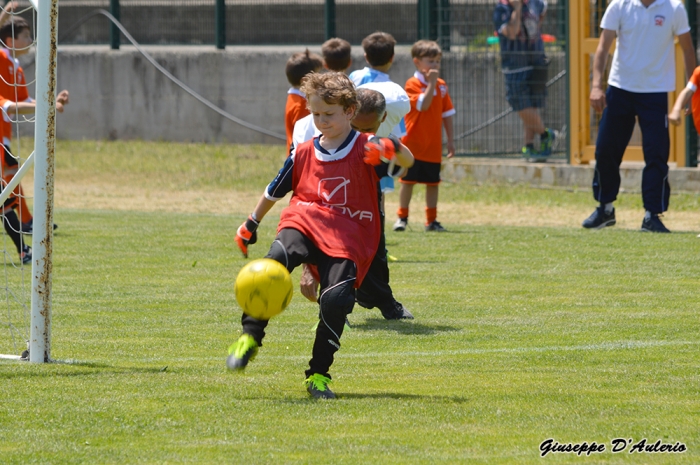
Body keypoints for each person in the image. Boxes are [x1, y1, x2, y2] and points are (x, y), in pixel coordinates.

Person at [228, 72, 414, 399]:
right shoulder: (302, 153)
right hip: (303, 220)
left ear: (350, 111)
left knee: (336, 300)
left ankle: (318, 375)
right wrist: (250, 224)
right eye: (315, 114)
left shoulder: (367, 147)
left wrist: (391, 146)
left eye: (329, 114)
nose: (321, 121)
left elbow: (408, 163)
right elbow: (274, 192)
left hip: (348, 234)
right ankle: (250, 337)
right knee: (270, 268)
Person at [294, 85, 414, 320]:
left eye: (368, 129)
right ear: (348, 113)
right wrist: (308, 267)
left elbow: (406, 161)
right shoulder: (316, 131)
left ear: (383, 120)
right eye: (356, 127)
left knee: (374, 257)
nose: (359, 135)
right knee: (334, 255)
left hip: (365, 203)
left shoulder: (384, 126)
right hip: (329, 201)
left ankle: (381, 300)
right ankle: (336, 309)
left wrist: (393, 147)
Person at [583, 0, 696, 233]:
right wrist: (596, 86)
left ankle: (651, 215)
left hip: (655, 92)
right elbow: (603, 47)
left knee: (657, 153)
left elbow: (687, 48)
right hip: (620, 88)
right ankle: (605, 208)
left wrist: (693, 94)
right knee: (605, 149)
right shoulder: (619, 6)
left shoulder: (674, 8)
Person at [0, 16, 68, 234]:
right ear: (10, 41)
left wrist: (52, 102)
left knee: (10, 174)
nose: (31, 40)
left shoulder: (16, 68)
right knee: (10, 174)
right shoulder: (2, 56)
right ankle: (25, 224)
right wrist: (3, 16)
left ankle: (25, 223)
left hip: (5, 132)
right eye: (26, 36)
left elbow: (26, 102)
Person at [393, 40, 455, 233]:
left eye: (438, 61)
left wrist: (451, 141)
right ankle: (402, 218)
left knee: (432, 183)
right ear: (417, 62)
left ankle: (432, 220)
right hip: (412, 144)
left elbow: (447, 114)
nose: (435, 65)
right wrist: (432, 84)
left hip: (433, 145)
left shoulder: (442, 86)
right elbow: (423, 105)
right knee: (408, 182)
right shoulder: (412, 84)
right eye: (430, 61)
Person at [493, 0, 555, 162]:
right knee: (520, 104)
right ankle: (546, 134)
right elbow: (512, 32)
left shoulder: (535, 3)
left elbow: (544, 8)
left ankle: (529, 146)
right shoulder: (502, 9)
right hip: (515, 67)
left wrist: (536, 28)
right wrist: (518, 8)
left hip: (536, 62)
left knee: (532, 106)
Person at [283, 49, 323, 153]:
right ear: (305, 81)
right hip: (302, 160)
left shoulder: (294, 97)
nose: (321, 77)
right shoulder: (302, 105)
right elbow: (305, 138)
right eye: (318, 74)